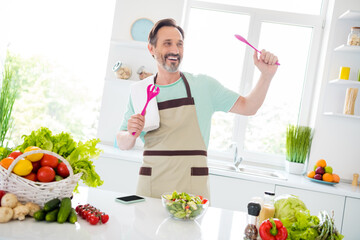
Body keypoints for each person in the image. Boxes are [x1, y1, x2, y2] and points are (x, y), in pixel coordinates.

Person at [116, 18, 278, 199]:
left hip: (191, 190)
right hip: (152, 185)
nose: (175, 50)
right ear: (151, 49)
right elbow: (123, 143)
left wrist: (266, 76)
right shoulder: (141, 91)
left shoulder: (203, 86)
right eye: (167, 43)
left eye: (179, 44)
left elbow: (249, 107)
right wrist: (131, 132)